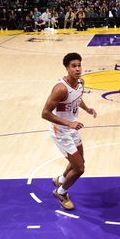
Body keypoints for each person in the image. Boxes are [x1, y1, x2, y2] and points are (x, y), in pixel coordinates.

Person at [41, 52, 97, 210]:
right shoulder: (60, 89)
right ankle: (61, 192)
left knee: (79, 162)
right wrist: (68, 123)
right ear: (66, 68)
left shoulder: (80, 83)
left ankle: (61, 178)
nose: (77, 69)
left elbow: (77, 98)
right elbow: (45, 113)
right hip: (60, 130)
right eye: (73, 66)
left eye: (79, 65)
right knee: (79, 168)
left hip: (71, 128)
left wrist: (87, 109)